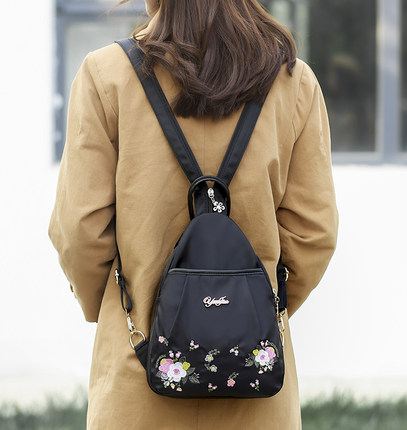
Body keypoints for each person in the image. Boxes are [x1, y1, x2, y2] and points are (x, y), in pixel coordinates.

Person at [49, 0, 338, 428]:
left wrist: (118, 309)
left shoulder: (106, 74)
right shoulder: (293, 81)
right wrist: (248, 315)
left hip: (138, 374)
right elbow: (313, 234)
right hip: (255, 386)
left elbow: (80, 231)